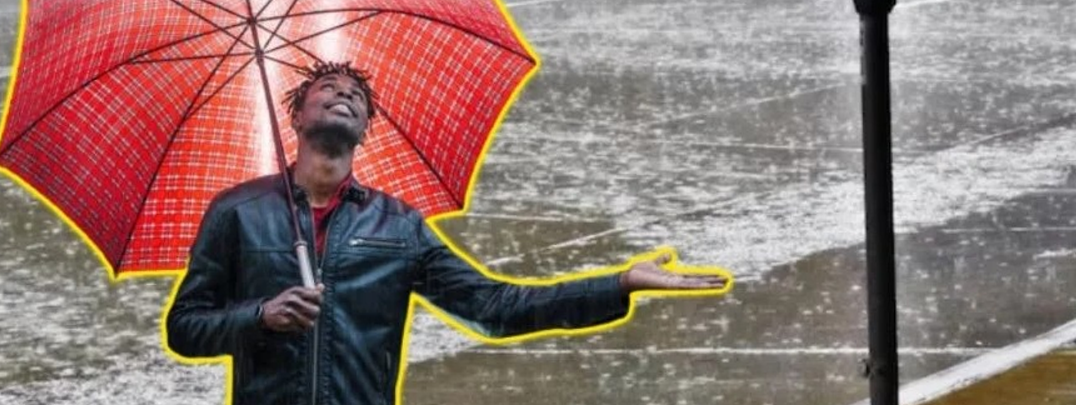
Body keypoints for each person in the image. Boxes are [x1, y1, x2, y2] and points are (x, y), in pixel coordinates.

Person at [166, 61, 728, 405]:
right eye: (328, 88)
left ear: (364, 130)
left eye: (357, 98)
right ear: (295, 116)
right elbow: (184, 328)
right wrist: (259, 317)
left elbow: (495, 306)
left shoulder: (398, 227)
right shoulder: (238, 212)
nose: (344, 96)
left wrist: (619, 283)